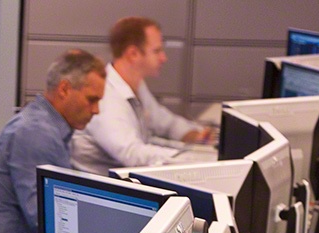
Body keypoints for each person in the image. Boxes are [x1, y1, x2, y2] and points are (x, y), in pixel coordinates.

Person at [0, 49, 107, 233]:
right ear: (64, 89)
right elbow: (44, 219)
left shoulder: (48, 127)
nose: (96, 110)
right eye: (91, 100)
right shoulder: (35, 133)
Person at [70, 16, 213, 176]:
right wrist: (192, 160)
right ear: (133, 54)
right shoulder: (106, 97)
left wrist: (193, 135)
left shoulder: (136, 84)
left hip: (126, 176)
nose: (163, 58)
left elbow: (164, 122)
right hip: (103, 185)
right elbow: (133, 154)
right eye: (157, 51)